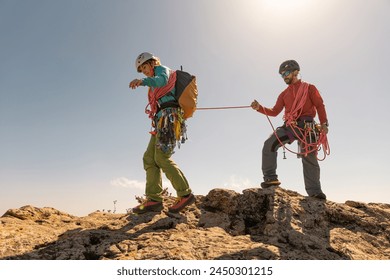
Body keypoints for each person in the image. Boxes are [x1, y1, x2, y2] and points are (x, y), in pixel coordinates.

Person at [251, 60, 329, 199]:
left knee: (309, 157)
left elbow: (319, 105)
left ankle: (315, 192)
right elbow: (275, 111)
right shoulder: (284, 94)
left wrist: (324, 123)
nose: (284, 76)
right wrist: (259, 108)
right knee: (270, 143)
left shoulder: (309, 88)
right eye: (282, 75)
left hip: (307, 127)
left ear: (296, 72)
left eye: (286, 73)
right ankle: (270, 179)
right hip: (290, 126)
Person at [129, 52, 195, 213]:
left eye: (144, 66)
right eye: (141, 69)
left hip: (170, 117)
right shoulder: (152, 82)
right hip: (161, 121)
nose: (144, 71)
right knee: (149, 158)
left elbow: (163, 80)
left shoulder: (161, 70)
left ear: (152, 63)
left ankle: (185, 194)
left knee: (161, 157)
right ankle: (154, 199)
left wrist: (142, 81)